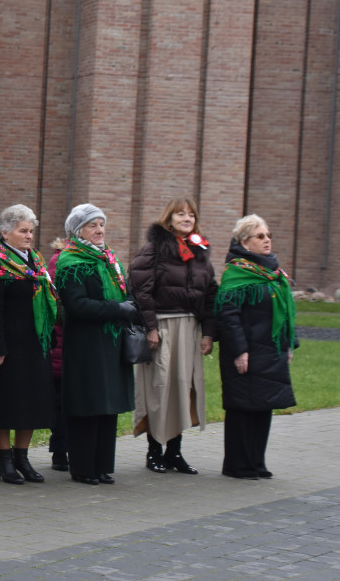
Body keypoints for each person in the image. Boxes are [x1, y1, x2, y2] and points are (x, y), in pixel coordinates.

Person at [128, 198, 218, 475]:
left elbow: (210, 291)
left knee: (184, 388)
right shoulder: (155, 249)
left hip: (189, 328)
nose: (187, 218)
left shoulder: (199, 250)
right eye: (181, 214)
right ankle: (154, 451)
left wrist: (208, 333)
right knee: (160, 387)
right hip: (163, 327)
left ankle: (174, 452)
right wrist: (151, 327)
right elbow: (140, 287)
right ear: (169, 218)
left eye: (191, 214)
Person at [0, 204, 57, 485]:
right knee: (6, 404)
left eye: (31, 230)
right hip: (7, 346)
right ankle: (4, 458)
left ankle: (23, 457)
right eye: (23, 231)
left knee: (30, 403)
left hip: (34, 345)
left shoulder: (35, 260)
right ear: (5, 232)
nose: (29, 236)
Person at [54, 204, 138, 486]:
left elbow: (123, 291)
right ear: (78, 231)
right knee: (88, 405)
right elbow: (76, 306)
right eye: (93, 225)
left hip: (110, 343)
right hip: (86, 346)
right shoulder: (71, 261)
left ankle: (102, 466)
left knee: (107, 405)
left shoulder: (108, 259)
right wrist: (117, 308)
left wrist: (129, 305)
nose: (100, 230)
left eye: (102, 224)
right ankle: (82, 467)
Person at [216, 214, 297, 480]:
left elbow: (285, 311)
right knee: (243, 408)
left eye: (268, 236)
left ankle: (257, 462)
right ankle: (238, 465)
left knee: (264, 406)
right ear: (244, 241)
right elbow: (228, 316)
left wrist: (289, 345)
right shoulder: (236, 272)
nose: (267, 241)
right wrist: (240, 350)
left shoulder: (272, 272)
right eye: (260, 236)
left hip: (270, 350)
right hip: (246, 352)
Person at [46, 238, 69, 472]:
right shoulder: (59, 260)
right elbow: (56, 301)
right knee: (61, 401)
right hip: (61, 342)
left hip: (72, 344)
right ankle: (60, 451)